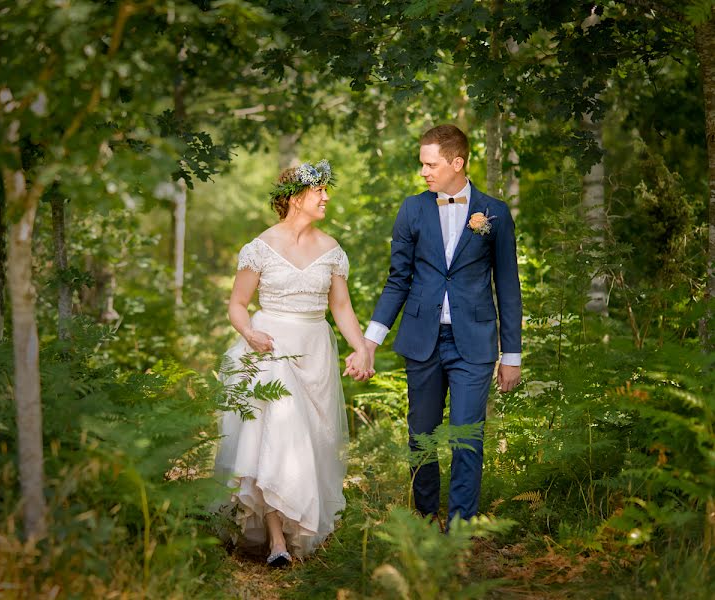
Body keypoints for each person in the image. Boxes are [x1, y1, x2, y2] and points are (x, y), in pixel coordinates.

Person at [349, 124, 522, 528]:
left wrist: (511, 355)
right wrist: (371, 342)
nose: (424, 171)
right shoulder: (412, 209)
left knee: (466, 436)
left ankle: (461, 525)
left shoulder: (494, 212)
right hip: (422, 340)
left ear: (457, 163)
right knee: (421, 436)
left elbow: (508, 286)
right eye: (422, 164)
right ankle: (425, 518)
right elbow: (398, 281)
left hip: (474, 343)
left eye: (431, 164)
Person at [213, 159, 373, 567]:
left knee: (312, 443)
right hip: (271, 348)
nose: (326, 197)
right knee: (276, 437)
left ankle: (298, 525)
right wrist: (249, 334)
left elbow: (342, 307)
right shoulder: (260, 248)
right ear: (295, 197)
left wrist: (361, 348)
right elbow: (236, 304)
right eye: (320, 190)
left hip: (315, 348)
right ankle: (277, 541)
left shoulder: (331, 249)